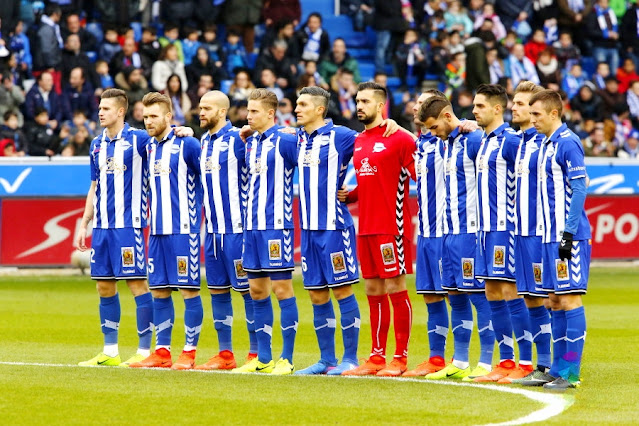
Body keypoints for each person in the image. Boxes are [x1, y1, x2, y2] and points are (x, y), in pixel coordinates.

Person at [417, 96, 495, 382]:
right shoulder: (445, 144)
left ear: (448, 116)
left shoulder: (471, 139)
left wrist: (477, 128)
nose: (433, 132)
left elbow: (499, 145)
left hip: (469, 233)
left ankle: (486, 362)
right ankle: (460, 360)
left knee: (478, 297)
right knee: (455, 297)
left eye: (435, 126)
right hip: (447, 234)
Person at [75, 88, 154, 368]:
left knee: (136, 283)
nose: (100, 112)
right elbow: (94, 186)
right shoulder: (96, 144)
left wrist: (182, 132)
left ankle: (145, 351)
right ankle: (110, 351)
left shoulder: (139, 140)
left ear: (121, 112)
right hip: (102, 228)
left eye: (106, 108)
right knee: (104, 287)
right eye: (99, 107)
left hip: (128, 226)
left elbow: (165, 140)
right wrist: (85, 221)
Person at [341, 82, 415, 377]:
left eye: (366, 101)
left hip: (390, 227)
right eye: (357, 101)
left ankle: (400, 358)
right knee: (372, 289)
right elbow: (371, 177)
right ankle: (376, 357)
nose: (359, 106)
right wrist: (352, 194)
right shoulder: (359, 139)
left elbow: (420, 169)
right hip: (366, 227)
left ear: (381, 105)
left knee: (396, 288)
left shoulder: (399, 139)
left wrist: (404, 130)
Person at [130, 92, 204, 370]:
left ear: (168, 116)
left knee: (187, 291)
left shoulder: (188, 144)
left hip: (184, 230)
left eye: (154, 116)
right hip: (157, 230)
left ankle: (189, 351)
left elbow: (206, 181)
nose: (148, 121)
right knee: (159, 291)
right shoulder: (148, 147)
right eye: (145, 116)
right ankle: (161, 351)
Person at [291, 87, 362, 376]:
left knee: (342, 290)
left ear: (320, 109)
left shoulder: (341, 136)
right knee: (317, 294)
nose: (297, 108)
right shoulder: (296, 138)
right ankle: (326, 359)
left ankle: (351, 358)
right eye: (296, 103)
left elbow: (374, 143)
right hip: (307, 230)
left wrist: (391, 123)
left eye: (303, 104)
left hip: (334, 227)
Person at [231, 89, 299, 375]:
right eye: (248, 110)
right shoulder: (249, 143)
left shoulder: (286, 139)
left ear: (271, 113)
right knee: (257, 290)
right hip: (251, 228)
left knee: (282, 289)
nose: (248, 115)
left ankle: (287, 358)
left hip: (276, 226)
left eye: (255, 111)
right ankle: (264, 357)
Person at [526, 89, 591, 390]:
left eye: (537, 114)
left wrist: (568, 233)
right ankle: (558, 367)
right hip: (546, 237)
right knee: (553, 300)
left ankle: (571, 371)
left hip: (568, 237)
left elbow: (579, 190)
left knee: (569, 299)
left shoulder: (568, 143)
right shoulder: (544, 146)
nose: (532, 118)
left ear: (554, 114)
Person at [470, 84, 535, 383]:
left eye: (480, 106)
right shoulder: (482, 141)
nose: (474, 110)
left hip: (504, 227)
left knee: (510, 290)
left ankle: (524, 361)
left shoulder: (510, 140)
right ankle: (506, 360)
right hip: (483, 229)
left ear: (498, 108)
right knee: (491, 291)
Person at [194, 90, 257, 370]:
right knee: (218, 292)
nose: (201, 112)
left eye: (207, 108)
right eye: (199, 107)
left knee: (248, 292)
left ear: (222, 112)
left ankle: (256, 353)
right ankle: (225, 354)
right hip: (213, 233)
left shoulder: (238, 140)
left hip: (238, 232)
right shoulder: (202, 142)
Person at [502, 81, 554, 384]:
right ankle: (543, 363)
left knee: (555, 299)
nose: (514, 108)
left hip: (542, 233)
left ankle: (564, 365)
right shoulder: (517, 142)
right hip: (520, 233)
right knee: (532, 299)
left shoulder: (548, 142)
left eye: (521, 104)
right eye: (515, 103)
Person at [402, 90, 449, 377]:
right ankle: (436, 358)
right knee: (431, 295)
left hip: (450, 230)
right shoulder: (419, 144)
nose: (416, 106)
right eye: (416, 102)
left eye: (423, 103)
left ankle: (470, 360)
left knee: (461, 296)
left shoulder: (450, 140)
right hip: (427, 230)